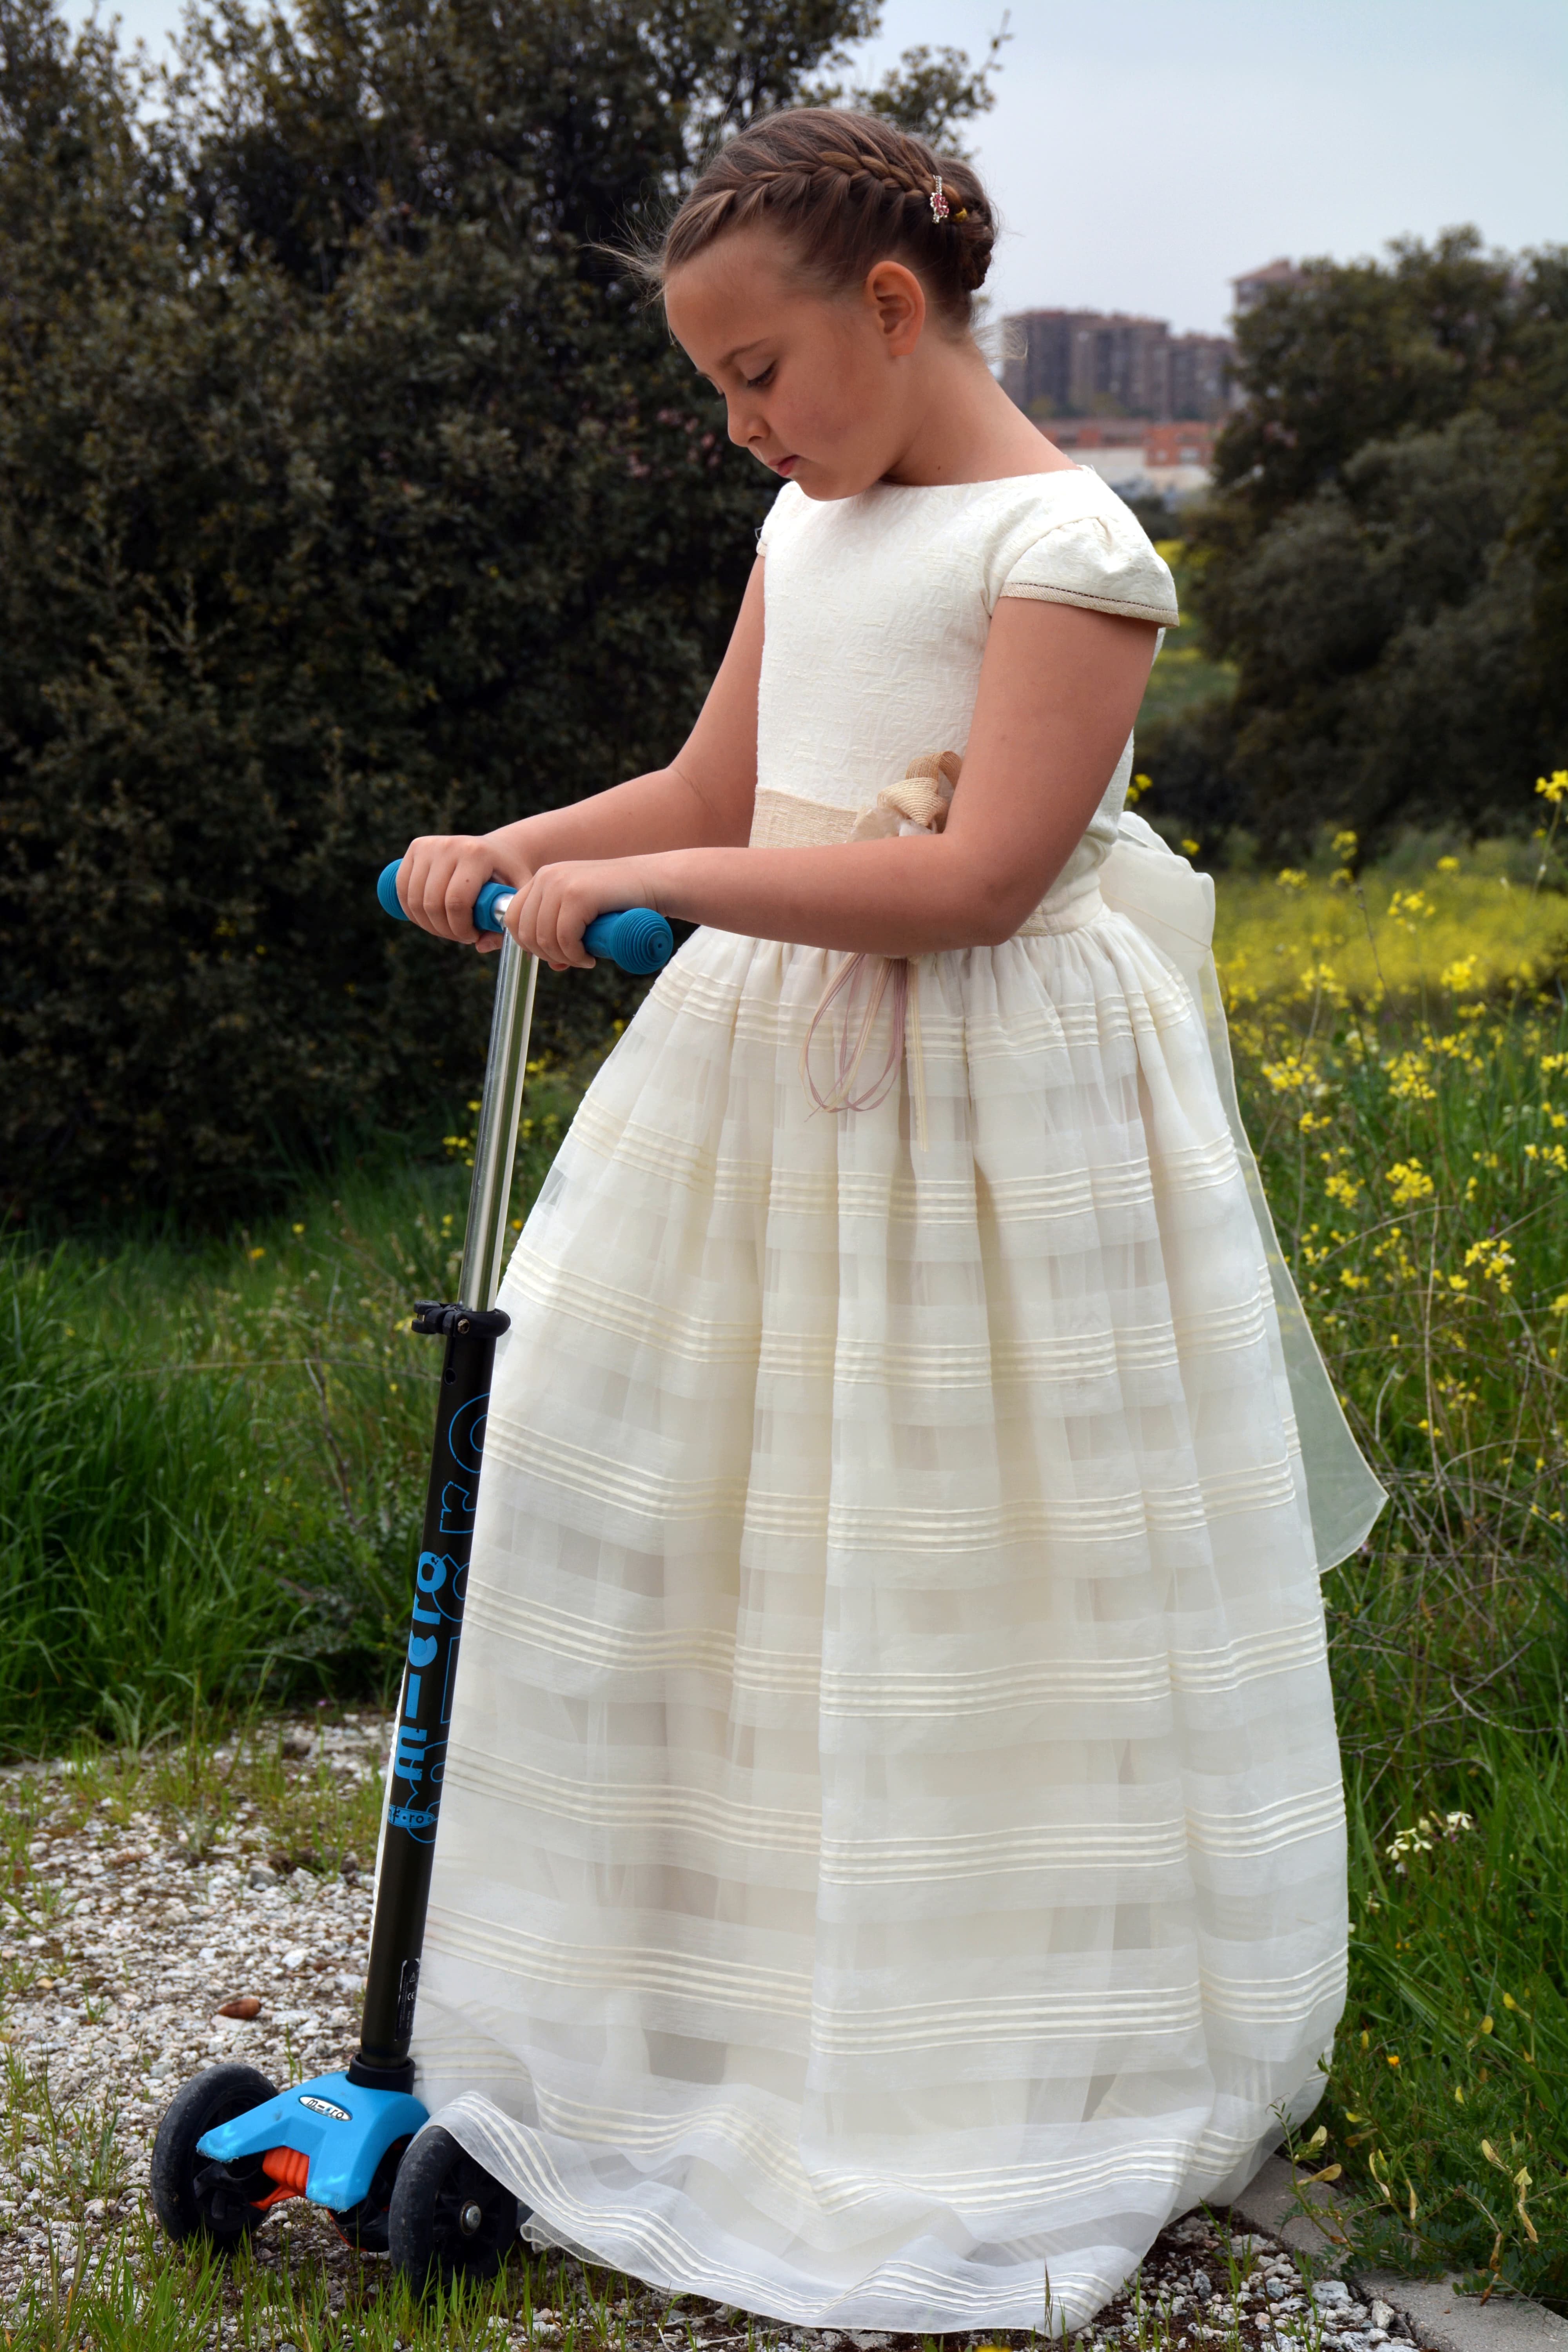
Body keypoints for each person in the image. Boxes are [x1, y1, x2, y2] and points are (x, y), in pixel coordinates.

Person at [390, 107, 1385, 2335]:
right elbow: (715, 795)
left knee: (956, 1554)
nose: (743, 420)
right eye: (716, 389)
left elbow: (972, 877)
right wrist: (518, 847)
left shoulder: (1069, 543)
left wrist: (654, 896)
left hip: (986, 1109)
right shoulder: (803, 527)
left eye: (761, 371)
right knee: (685, 1506)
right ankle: (726, 2000)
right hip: (762, 1089)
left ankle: (988, 2044)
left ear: (892, 307)